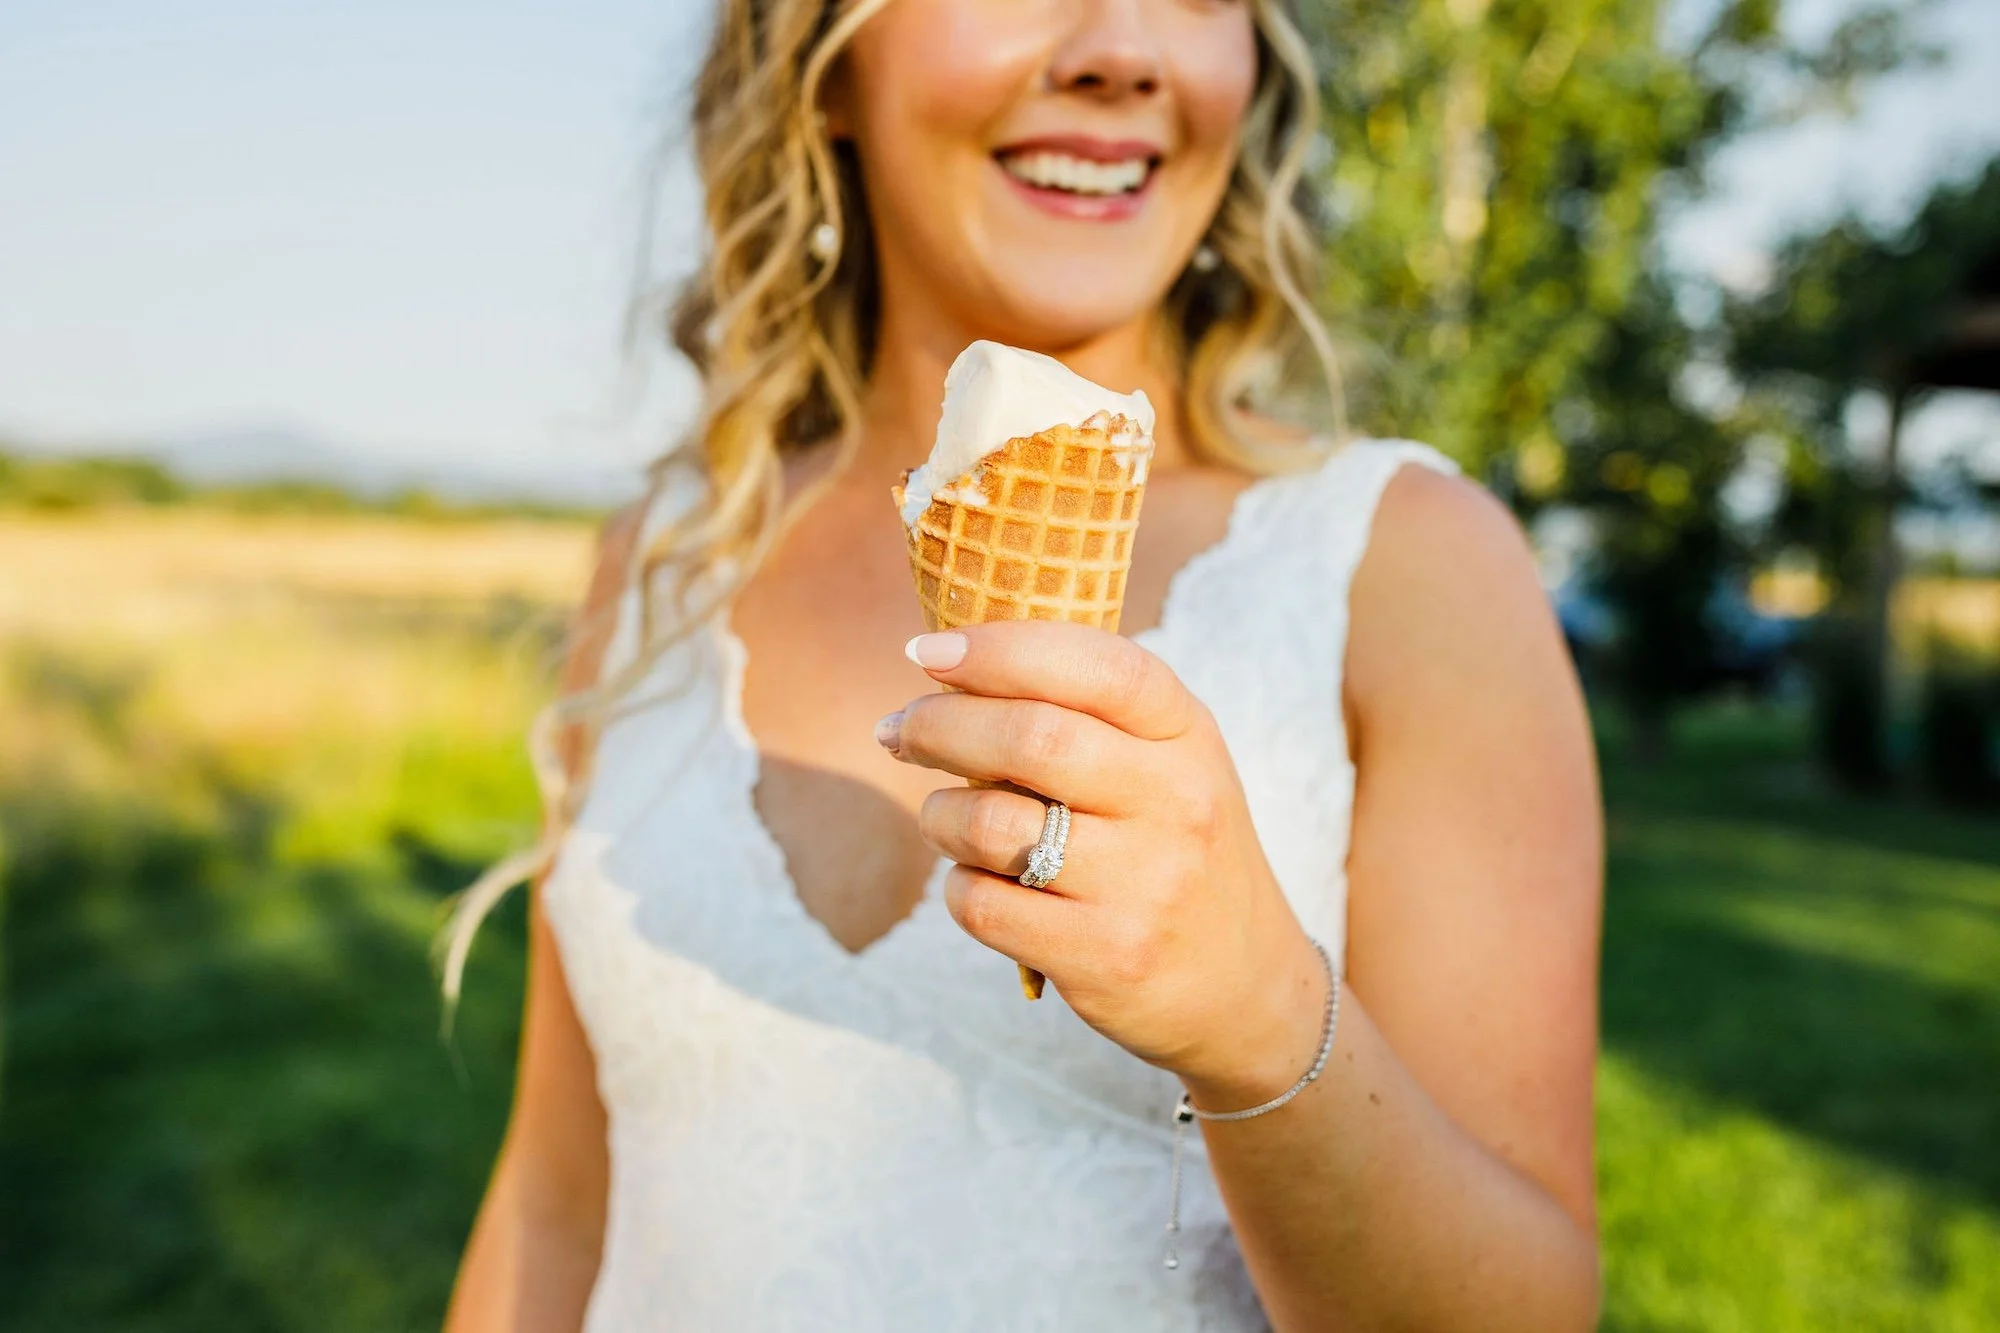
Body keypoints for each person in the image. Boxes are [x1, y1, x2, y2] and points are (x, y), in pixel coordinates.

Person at [444, 0, 1604, 1328]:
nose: (1121, 47)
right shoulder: (663, 558)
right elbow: (553, 1207)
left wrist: (1259, 1018)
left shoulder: (1413, 565)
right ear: (821, 65)